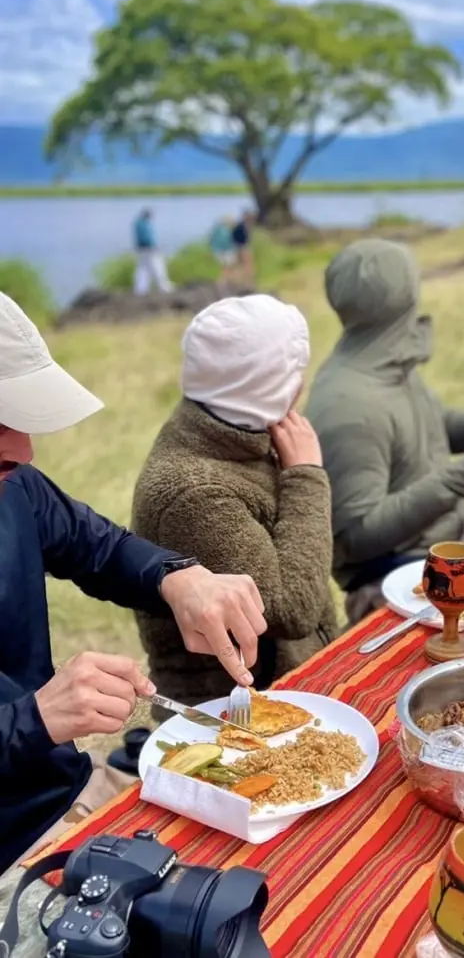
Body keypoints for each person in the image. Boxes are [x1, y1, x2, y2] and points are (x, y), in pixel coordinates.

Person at [0, 292, 267, 874]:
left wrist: (180, 578)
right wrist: (34, 719)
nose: (24, 449)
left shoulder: (13, 485)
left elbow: (97, 547)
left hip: (64, 791)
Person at [306, 239, 464, 625]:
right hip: (399, 575)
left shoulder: (386, 362)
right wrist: (456, 480)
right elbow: (355, 537)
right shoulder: (349, 405)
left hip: (449, 534)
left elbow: (434, 426)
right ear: (405, 297)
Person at [132, 295, 337, 712]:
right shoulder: (194, 494)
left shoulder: (233, 427)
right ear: (277, 388)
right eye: (294, 373)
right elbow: (292, 608)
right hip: (232, 713)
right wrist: (306, 477)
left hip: (283, 685)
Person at [132, 207, 173, 295]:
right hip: (150, 249)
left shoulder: (138, 224)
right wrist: (155, 247)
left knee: (142, 269)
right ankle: (163, 287)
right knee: (158, 267)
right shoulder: (146, 224)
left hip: (141, 249)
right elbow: (149, 238)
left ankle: (140, 289)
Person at [232, 210, 257, 285]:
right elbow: (245, 238)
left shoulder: (239, 226)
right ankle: (248, 281)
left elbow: (234, 237)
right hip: (244, 247)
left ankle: (241, 281)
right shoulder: (243, 227)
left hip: (239, 247)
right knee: (247, 264)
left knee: (241, 265)